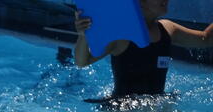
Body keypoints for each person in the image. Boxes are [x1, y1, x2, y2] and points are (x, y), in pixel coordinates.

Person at [74, 0, 213, 99]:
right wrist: (83, 36)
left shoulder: (168, 29)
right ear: (140, 2)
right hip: (122, 109)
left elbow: (206, 39)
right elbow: (82, 62)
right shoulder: (122, 35)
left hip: (158, 103)